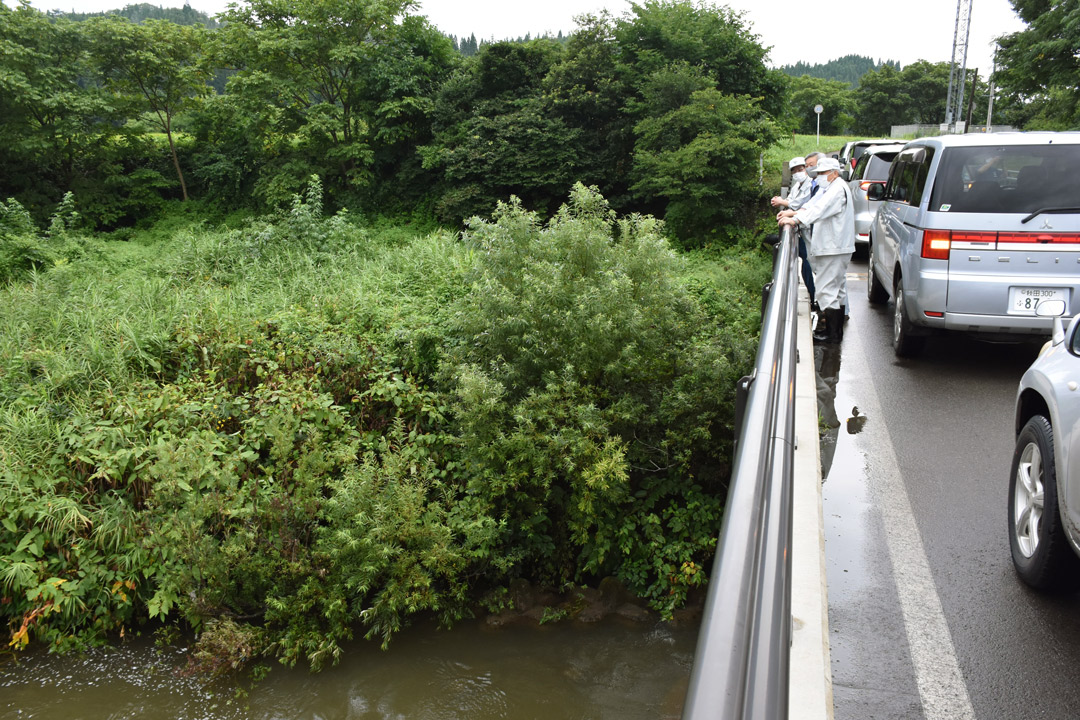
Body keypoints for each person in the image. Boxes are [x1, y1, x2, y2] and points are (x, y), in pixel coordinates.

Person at [777, 156, 854, 344]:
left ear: (834, 173)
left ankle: (832, 334)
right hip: (835, 246)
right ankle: (834, 332)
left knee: (826, 289)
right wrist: (795, 213)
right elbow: (813, 204)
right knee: (836, 289)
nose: (818, 176)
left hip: (833, 247)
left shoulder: (837, 189)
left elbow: (819, 209)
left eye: (821, 173)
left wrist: (795, 220)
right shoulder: (832, 187)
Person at [771, 155, 818, 310]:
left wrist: (787, 210)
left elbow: (800, 205)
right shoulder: (797, 185)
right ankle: (814, 298)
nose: (799, 172)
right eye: (795, 170)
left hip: (809, 229)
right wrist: (786, 212)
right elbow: (793, 203)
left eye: (801, 169)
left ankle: (817, 300)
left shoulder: (812, 185)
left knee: (812, 264)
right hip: (802, 229)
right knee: (806, 263)